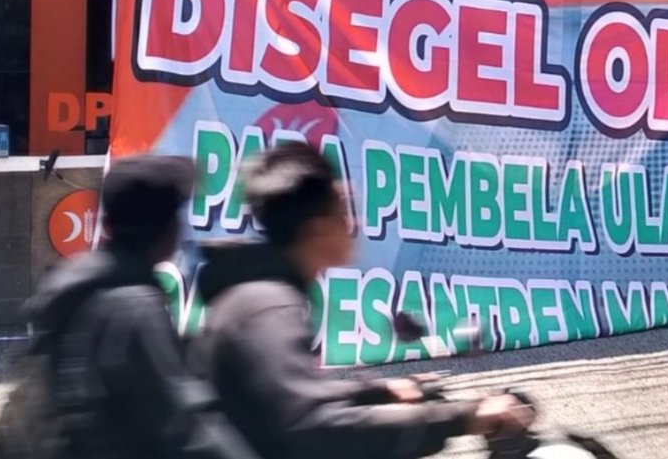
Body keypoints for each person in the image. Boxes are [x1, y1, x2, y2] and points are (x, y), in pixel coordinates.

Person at [189, 142, 534, 459]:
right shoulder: (269, 307)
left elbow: (291, 396)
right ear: (318, 229)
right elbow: (314, 427)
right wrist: (463, 417)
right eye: (343, 211)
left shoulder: (262, 295)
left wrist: (380, 391)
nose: (355, 223)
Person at [0, 156, 257, 459]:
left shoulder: (78, 287)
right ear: (169, 228)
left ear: (108, 225)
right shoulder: (135, 308)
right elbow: (184, 428)